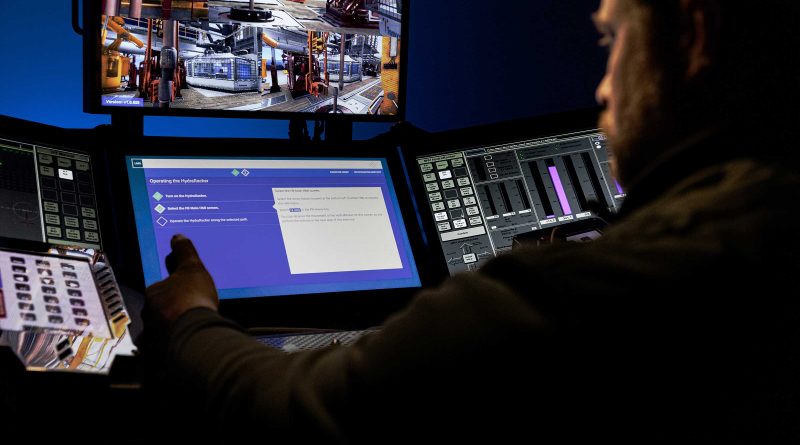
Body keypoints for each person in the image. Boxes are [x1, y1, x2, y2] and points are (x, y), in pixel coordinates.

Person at [141, 1, 800, 443]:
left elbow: (296, 410)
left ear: (692, 37)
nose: (602, 86)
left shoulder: (583, 292)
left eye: (611, 38)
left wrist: (193, 315)